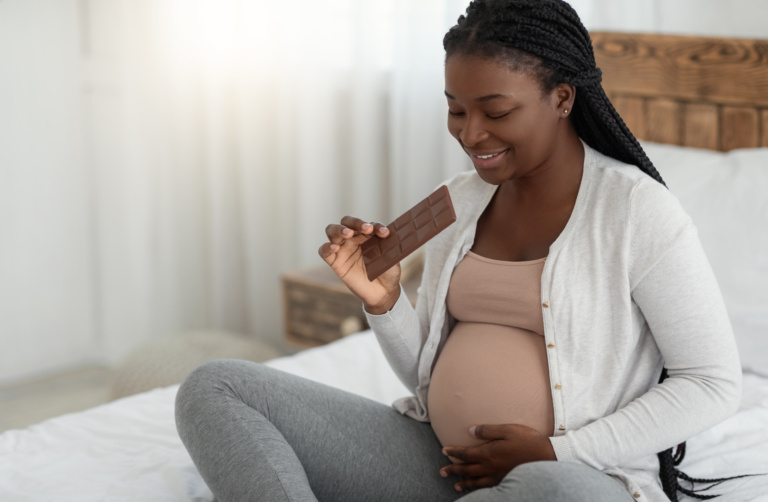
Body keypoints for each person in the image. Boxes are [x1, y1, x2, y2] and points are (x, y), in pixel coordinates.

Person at [174, 1, 743, 501]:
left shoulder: (637, 211)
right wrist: (385, 302)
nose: (471, 134)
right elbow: (428, 376)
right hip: (441, 465)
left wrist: (552, 452)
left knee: (549, 493)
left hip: (572, 478)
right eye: (456, 110)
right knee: (215, 387)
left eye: (496, 112)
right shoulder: (459, 201)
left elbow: (711, 382)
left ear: (562, 97)